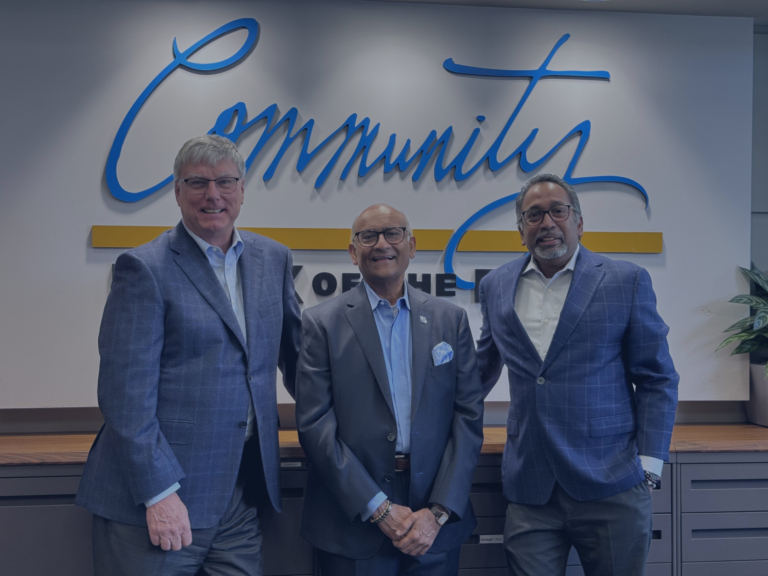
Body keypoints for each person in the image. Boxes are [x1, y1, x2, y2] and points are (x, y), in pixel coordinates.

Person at [76, 134, 301, 576]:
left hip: (238, 494)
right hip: (157, 501)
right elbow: (125, 396)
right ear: (177, 191)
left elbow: (299, 362)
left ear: (242, 190)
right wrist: (159, 494)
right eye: (197, 182)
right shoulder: (144, 268)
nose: (212, 194)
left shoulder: (272, 258)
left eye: (224, 182)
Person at [476, 174, 679, 576]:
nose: (546, 222)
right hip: (530, 486)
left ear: (579, 222)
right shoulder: (495, 285)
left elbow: (657, 378)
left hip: (612, 481)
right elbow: (480, 371)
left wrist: (650, 465)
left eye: (557, 210)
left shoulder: (626, 280)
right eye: (533, 214)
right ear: (521, 230)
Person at [295, 204, 484, 576]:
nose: (382, 244)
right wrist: (377, 508)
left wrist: (439, 511)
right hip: (351, 519)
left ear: (411, 246)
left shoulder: (451, 319)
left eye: (393, 233)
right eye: (368, 236)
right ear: (353, 252)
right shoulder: (321, 323)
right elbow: (315, 425)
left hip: (432, 520)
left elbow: (468, 418)